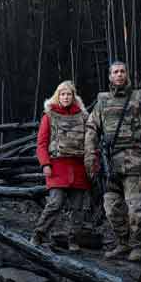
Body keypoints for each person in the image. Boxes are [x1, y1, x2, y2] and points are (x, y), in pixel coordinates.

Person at [84, 61, 141, 262]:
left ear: (127, 74)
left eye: (122, 71)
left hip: (135, 162)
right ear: (110, 77)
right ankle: (123, 242)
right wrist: (90, 155)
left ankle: (138, 246)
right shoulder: (102, 101)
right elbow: (92, 129)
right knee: (111, 207)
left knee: (135, 207)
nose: (119, 75)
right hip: (111, 164)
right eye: (115, 72)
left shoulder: (140, 99)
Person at [31, 80, 92, 250]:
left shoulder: (83, 116)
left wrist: (92, 165)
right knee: (55, 203)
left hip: (79, 167)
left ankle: (73, 239)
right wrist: (45, 164)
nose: (66, 97)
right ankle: (38, 234)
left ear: (74, 96)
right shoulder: (49, 116)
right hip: (57, 167)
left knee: (78, 208)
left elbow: (91, 143)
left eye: (69, 94)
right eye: (62, 94)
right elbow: (41, 144)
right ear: (58, 96)